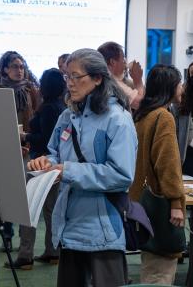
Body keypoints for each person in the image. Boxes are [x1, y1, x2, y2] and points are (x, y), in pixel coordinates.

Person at [27, 48, 137, 287]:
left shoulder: (118, 120)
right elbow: (54, 153)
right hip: (68, 228)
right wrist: (44, 162)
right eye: (67, 76)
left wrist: (66, 171)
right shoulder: (68, 116)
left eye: (76, 77)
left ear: (98, 78)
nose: (70, 84)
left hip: (103, 231)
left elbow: (121, 175)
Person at [129, 64, 185, 285]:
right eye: (179, 83)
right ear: (170, 86)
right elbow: (167, 163)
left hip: (139, 201)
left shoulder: (143, 114)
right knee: (160, 272)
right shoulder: (163, 116)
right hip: (159, 204)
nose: (182, 88)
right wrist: (176, 202)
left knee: (150, 264)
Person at [5, 68, 66, 270]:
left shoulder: (48, 108)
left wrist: (26, 137)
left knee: (29, 209)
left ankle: (25, 255)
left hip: (38, 164)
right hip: (53, 166)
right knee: (50, 210)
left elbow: (46, 139)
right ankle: (52, 251)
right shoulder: (62, 107)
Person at [0, 50, 40, 251]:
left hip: (27, 148)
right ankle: (7, 235)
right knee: (4, 195)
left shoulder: (32, 90)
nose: (19, 70)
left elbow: (38, 118)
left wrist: (27, 143)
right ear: (5, 69)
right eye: (14, 66)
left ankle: (24, 240)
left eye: (21, 66)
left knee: (24, 195)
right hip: (4, 148)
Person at [98, 41, 145, 110]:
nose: (125, 62)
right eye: (123, 58)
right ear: (112, 62)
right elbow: (141, 104)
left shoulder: (103, 77)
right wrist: (138, 80)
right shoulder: (111, 82)